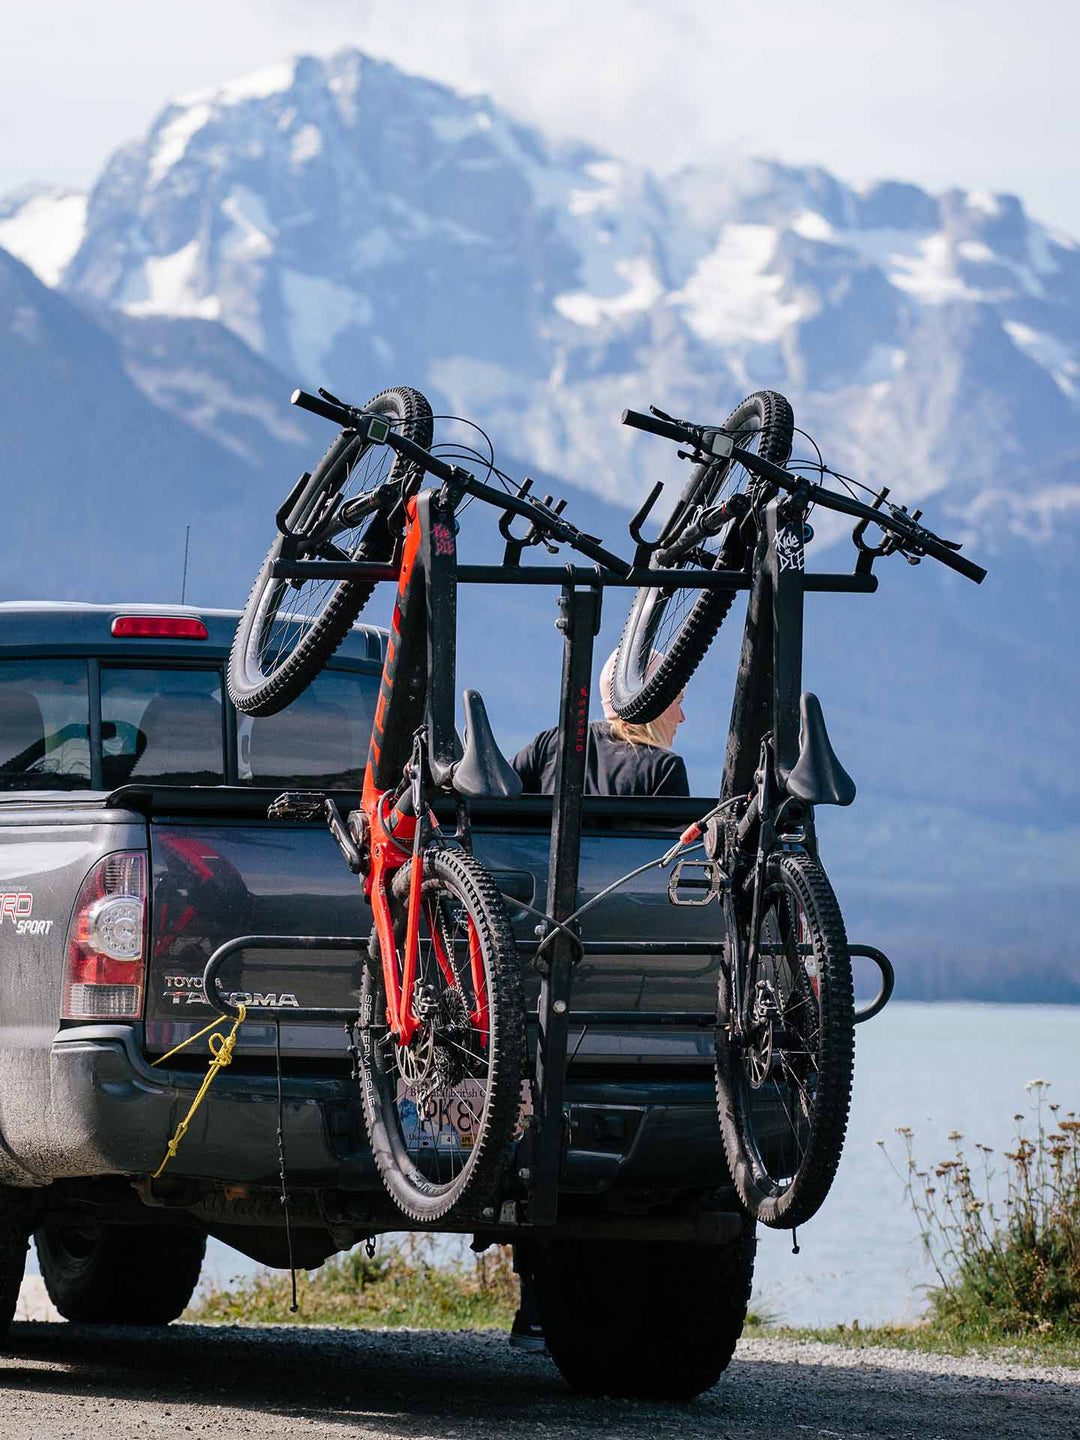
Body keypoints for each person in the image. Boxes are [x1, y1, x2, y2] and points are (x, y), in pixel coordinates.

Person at [508, 650, 689, 1353]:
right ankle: (564, 1305)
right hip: (614, 966)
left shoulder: (557, 744)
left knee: (525, 1116)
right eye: (674, 700)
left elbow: (500, 798)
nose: (683, 713)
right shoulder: (663, 773)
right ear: (646, 701)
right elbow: (664, 879)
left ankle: (532, 1307)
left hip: (527, 950)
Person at [511, 649, 689, 798]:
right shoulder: (664, 769)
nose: (682, 717)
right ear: (655, 701)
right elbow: (675, 840)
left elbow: (494, 790)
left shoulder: (551, 744)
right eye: (678, 702)